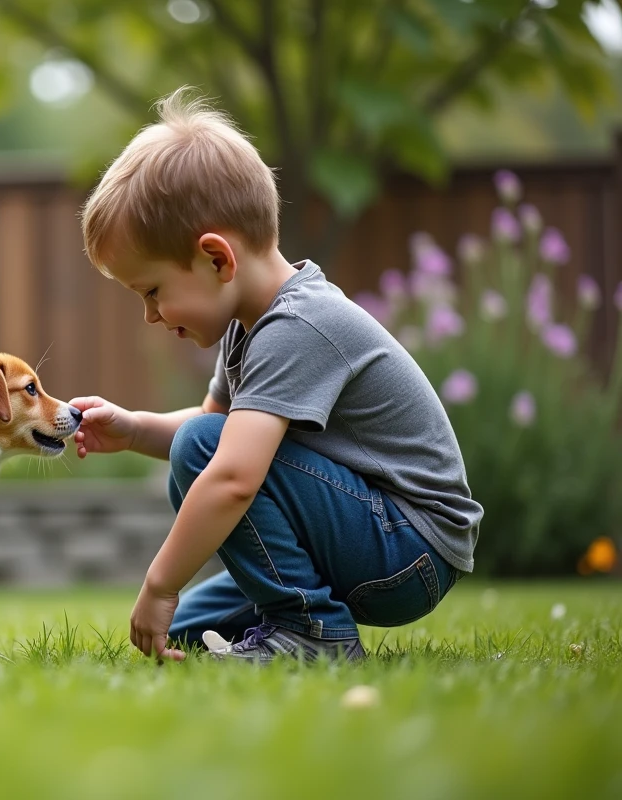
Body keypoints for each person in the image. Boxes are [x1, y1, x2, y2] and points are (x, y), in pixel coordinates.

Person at [71, 88, 482, 664]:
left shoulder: (298, 326)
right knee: (190, 626)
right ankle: (282, 621)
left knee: (202, 457)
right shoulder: (251, 322)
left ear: (217, 259)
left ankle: (313, 633)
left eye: (153, 291)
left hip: (407, 549)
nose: (150, 315)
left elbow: (231, 471)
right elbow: (219, 426)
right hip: (371, 533)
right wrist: (136, 429)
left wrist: (160, 583)